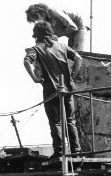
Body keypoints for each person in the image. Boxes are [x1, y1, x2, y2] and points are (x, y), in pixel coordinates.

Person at [23, 21, 82, 158]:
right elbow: (78, 58)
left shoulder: (37, 48)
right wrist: (72, 76)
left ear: (37, 35)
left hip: (51, 90)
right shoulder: (62, 46)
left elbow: (26, 61)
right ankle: (76, 152)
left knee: (55, 122)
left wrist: (35, 78)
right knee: (70, 121)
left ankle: (60, 152)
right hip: (67, 89)